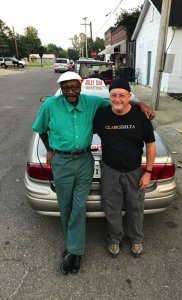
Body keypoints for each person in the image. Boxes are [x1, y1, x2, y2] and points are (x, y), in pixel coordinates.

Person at [32, 72, 155, 275]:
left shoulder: (93, 102)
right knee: (66, 206)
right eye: (66, 88)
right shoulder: (50, 105)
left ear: (80, 85)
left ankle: (74, 251)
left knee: (79, 207)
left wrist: (141, 105)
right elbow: (41, 129)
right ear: (61, 88)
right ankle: (74, 249)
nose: (70, 92)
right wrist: (49, 149)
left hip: (84, 161)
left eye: (74, 87)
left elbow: (120, 102)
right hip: (61, 161)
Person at [94, 78, 156, 259]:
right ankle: (114, 239)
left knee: (135, 207)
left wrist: (148, 172)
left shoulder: (140, 117)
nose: (117, 99)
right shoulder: (101, 116)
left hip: (134, 171)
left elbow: (151, 145)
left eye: (122, 95)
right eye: (113, 95)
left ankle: (136, 239)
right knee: (111, 208)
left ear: (129, 96)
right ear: (109, 96)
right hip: (110, 170)